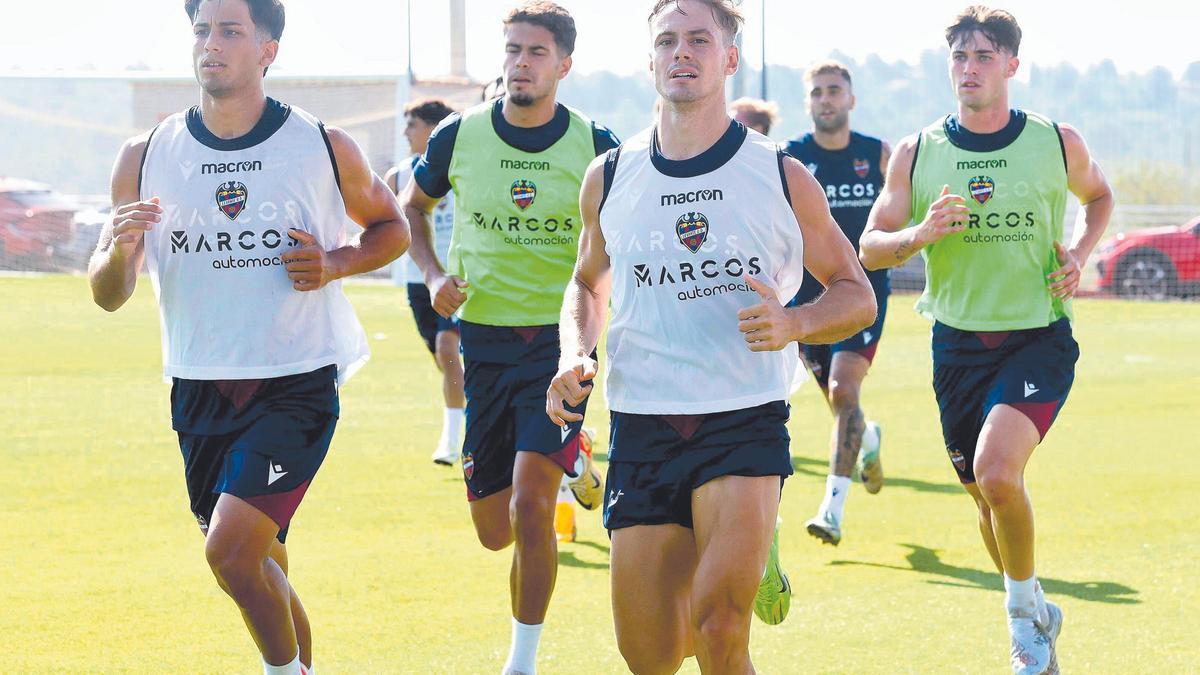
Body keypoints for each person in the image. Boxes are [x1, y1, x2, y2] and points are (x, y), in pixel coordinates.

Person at [546, 1, 875, 671]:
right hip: (643, 421)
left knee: (721, 629)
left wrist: (795, 323)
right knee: (651, 655)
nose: (682, 52)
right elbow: (586, 284)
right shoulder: (609, 175)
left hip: (742, 419)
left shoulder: (780, 175)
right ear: (650, 61)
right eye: (667, 41)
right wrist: (574, 352)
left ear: (729, 58)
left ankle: (753, 537)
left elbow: (856, 293)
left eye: (700, 39)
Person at [87, 1, 409, 674]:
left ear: (268, 49)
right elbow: (108, 292)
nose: (211, 44)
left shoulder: (320, 143)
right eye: (201, 29)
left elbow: (393, 227)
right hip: (199, 386)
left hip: (296, 381)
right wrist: (119, 253)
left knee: (230, 552)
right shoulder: (144, 155)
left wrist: (337, 263)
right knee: (262, 561)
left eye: (230, 30)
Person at [859, 7, 1112, 674]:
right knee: (984, 497)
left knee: (1000, 473)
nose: (968, 69)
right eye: (959, 58)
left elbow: (1101, 196)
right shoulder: (918, 153)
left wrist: (1081, 252)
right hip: (957, 350)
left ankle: (1023, 628)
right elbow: (870, 248)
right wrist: (917, 235)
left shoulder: (1056, 142)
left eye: (982, 56)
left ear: (1011, 66)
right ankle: (1038, 608)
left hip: (1038, 337)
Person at [398, 3, 614, 673]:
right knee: (495, 532)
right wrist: (433, 274)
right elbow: (412, 207)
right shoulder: (457, 137)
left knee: (529, 505)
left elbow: (624, 239)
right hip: (483, 345)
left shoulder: (597, 143)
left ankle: (520, 661)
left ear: (564, 65)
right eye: (514, 50)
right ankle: (576, 461)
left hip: (561, 347)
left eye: (537, 52)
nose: (521, 62)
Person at [783, 61, 891, 546]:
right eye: (817, 92)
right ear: (808, 103)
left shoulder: (878, 155)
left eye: (835, 91)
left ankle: (832, 511)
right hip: (807, 300)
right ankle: (868, 439)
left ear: (851, 99)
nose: (826, 99)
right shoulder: (788, 158)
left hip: (863, 294)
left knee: (844, 390)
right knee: (837, 401)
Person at [385, 98, 464, 466]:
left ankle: (452, 443)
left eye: (412, 124)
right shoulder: (399, 176)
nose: (405, 132)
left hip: (457, 278)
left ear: (434, 129)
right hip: (418, 281)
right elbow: (384, 224)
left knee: (447, 347)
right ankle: (480, 414)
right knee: (445, 360)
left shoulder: (463, 166)